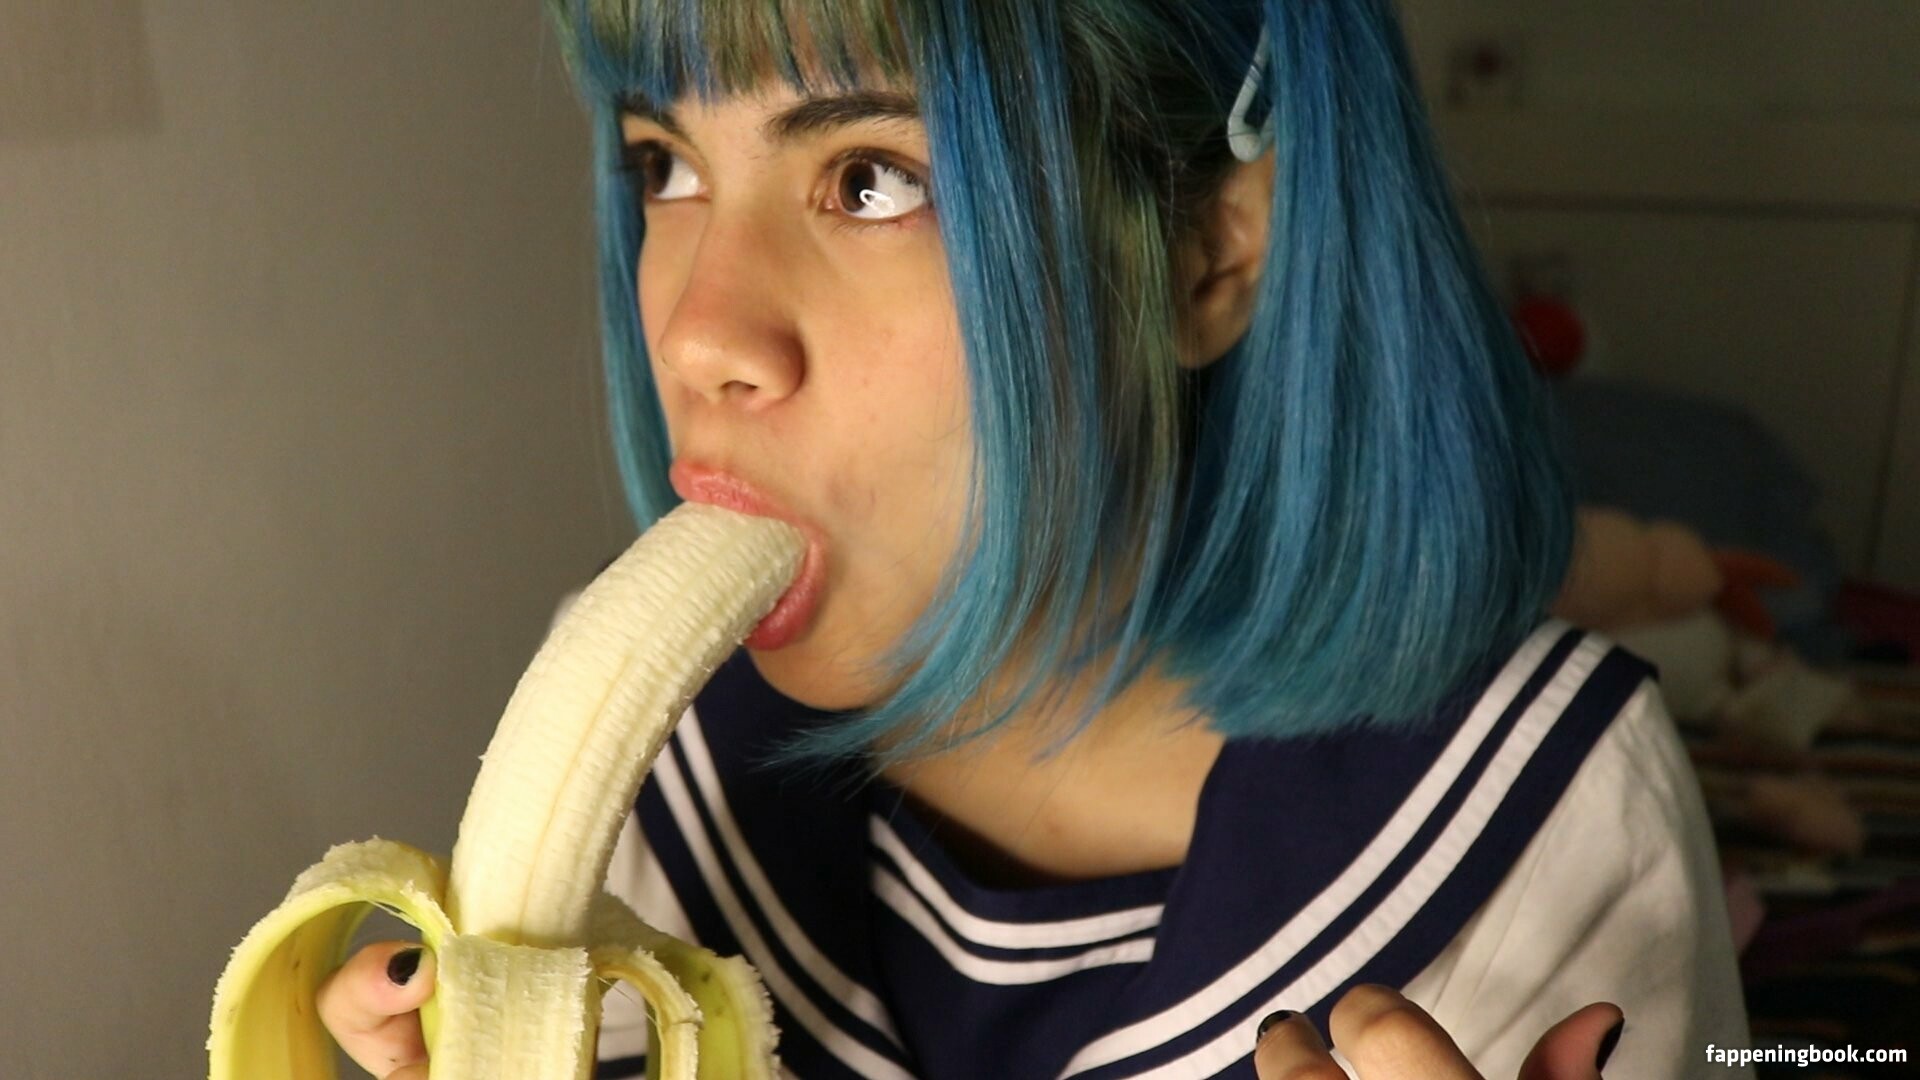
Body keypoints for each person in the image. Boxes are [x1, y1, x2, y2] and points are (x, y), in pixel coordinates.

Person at [317, 0, 1753, 1076]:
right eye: (664, 166)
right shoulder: (663, 764)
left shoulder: (1550, 818)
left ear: (1208, 257)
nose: (699, 335)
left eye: (871, 180)